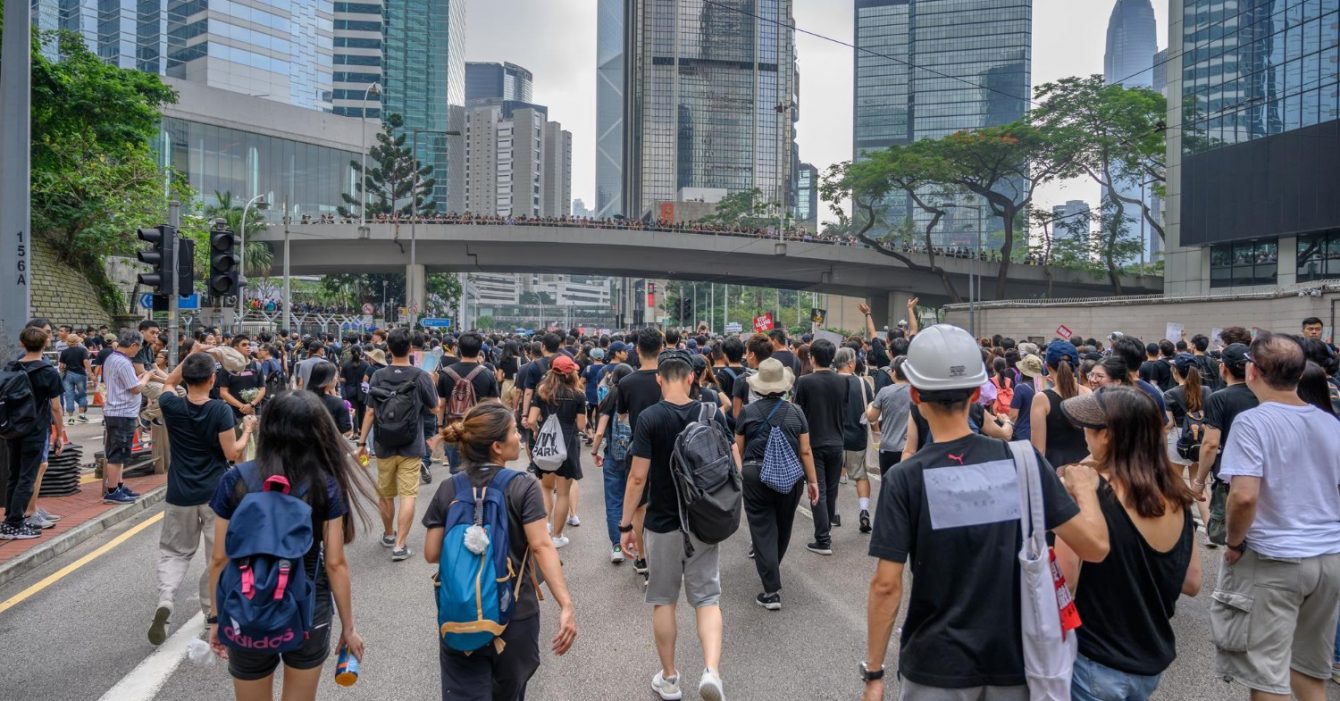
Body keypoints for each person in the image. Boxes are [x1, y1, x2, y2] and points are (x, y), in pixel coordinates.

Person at [861, 324, 1110, 701]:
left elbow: (886, 585)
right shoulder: (1023, 461)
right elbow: (1093, 547)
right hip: (1015, 661)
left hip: (934, 664)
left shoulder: (904, 479)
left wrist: (875, 672)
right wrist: (1086, 489)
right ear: (978, 394)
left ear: (915, 395)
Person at [207, 392, 370, 701]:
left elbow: (219, 558)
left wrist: (217, 618)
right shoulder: (325, 483)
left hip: (246, 605)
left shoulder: (236, 480)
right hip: (308, 606)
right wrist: (349, 627)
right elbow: (335, 563)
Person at [1207, 333, 1340, 701]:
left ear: (1252, 371)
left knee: (1267, 674)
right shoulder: (1331, 423)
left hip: (1275, 558)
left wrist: (1234, 543)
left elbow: (1245, 496)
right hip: (1329, 557)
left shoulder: (1253, 423)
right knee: (1310, 670)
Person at [1054, 387, 1201, 700]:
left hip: (1095, 659)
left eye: (1088, 427)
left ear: (1106, 435)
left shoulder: (1086, 494)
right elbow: (1192, 582)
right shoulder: (1175, 494)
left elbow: (1064, 579)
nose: (1084, 434)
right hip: (1149, 660)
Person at [424, 404, 577, 700]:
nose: (519, 437)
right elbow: (542, 546)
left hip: (460, 614)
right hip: (514, 614)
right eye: (513, 432)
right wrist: (565, 604)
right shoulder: (523, 487)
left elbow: (431, 552)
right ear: (497, 446)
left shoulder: (449, 488)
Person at [619, 349, 737, 701]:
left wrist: (626, 525)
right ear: (691, 378)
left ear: (659, 378)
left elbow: (638, 478)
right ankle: (712, 671)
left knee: (664, 601)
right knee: (707, 599)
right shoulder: (712, 412)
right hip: (703, 520)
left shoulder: (650, 418)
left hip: (662, 524)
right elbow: (733, 462)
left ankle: (669, 678)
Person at [149, 349, 253, 645]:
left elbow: (169, 381)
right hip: (215, 494)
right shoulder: (219, 410)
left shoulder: (170, 404)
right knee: (216, 555)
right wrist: (246, 431)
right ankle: (212, 614)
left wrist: (191, 356)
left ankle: (166, 600)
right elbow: (232, 454)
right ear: (212, 379)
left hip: (179, 492)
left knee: (174, 551)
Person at [736, 358, 819, 610]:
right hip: (791, 477)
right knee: (783, 526)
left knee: (762, 529)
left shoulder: (748, 413)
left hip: (755, 475)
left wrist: (742, 473)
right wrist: (813, 481)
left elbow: (737, 448)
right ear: (784, 386)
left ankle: (771, 590)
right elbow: (805, 451)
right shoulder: (796, 412)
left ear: (758, 387)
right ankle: (773, 567)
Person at [356, 328, 440, 561]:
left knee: (385, 494)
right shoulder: (420, 375)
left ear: (388, 349)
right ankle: (400, 546)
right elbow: (434, 409)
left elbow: (370, 412)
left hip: (383, 444)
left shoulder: (378, 376)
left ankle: (389, 534)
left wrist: (363, 442)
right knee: (408, 495)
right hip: (411, 445)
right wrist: (432, 384)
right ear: (411, 349)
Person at [1, 326, 66, 539]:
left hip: (13, 427)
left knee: (14, 474)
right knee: (27, 476)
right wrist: (60, 432)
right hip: (36, 429)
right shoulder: (48, 372)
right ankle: (15, 523)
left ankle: (9, 519)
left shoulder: (12, 367)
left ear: (22, 343)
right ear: (46, 343)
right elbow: (56, 407)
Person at [1193, 343, 1256, 547]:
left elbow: (1210, 444)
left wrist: (1199, 481)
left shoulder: (1218, 398)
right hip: (1262, 472)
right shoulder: (1263, 394)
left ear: (1224, 367)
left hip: (1229, 474)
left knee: (1227, 534)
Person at [615, 327, 666, 577]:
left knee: (639, 505)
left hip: (639, 448)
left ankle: (644, 558)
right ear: (662, 349)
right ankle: (666, 558)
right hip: (669, 447)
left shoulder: (626, 382)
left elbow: (622, 415)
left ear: (637, 350)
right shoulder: (669, 379)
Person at [793, 338, 848, 554]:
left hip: (813, 442)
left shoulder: (805, 382)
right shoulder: (843, 381)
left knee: (818, 489)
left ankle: (823, 539)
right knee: (831, 490)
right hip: (837, 441)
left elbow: (798, 413)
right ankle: (826, 531)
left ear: (812, 357)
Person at [526, 354, 586, 549]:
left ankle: (545, 526)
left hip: (546, 444)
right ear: (571, 374)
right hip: (568, 445)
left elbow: (532, 420)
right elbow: (581, 424)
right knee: (563, 493)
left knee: (545, 487)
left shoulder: (542, 392)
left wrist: (537, 432)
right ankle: (558, 537)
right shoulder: (578, 395)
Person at [591, 362, 635, 564]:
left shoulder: (609, 399)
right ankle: (635, 541)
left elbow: (600, 431)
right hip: (634, 457)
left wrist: (594, 451)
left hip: (613, 457)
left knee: (613, 501)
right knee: (634, 500)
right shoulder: (636, 399)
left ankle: (617, 545)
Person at [101, 329, 152, 505]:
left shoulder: (112, 358)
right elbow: (136, 388)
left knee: (121, 452)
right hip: (121, 412)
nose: (137, 352)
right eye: (137, 349)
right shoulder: (122, 362)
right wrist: (146, 377)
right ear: (133, 345)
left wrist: (138, 378)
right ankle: (113, 490)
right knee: (118, 453)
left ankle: (119, 485)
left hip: (118, 411)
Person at [438, 332, 501, 473]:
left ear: (458, 349)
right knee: (479, 470)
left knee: (456, 472)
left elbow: (441, 404)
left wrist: (440, 426)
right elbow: (495, 404)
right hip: (480, 429)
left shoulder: (445, 373)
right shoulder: (487, 374)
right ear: (479, 351)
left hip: (453, 428)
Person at [836, 346, 875, 533]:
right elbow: (871, 411)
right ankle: (864, 510)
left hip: (833, 437)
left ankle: (833, 513)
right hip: (857, 437)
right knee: (860, 476)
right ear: (851, 363)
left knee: (832, 476)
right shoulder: (863, 383)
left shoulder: (830, 381)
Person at [868, 357, 912, 476]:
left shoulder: (885, 392)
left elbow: (872, 418)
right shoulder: (916, 392)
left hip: (888, 447)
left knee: (887, 484)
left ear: (894, 372)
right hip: (910, 447)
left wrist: (870, 406)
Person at [306, 361, 352, 436]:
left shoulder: (302, 399)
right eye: (335, 376)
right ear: (327, 379)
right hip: (329, 444)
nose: (337, 379)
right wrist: (349, 416)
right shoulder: (337, 403)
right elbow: (346, 431)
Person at [58, 330, 91, 425]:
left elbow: (61, 366)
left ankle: (71, 418)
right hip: (80, 374)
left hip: (68, 374)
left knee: (69, 395)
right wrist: (90, 373)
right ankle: (81, 415)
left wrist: (61, 373)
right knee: (82, 394)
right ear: (77, 341)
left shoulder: (64, 352)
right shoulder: (82, 350)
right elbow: (86, 362)